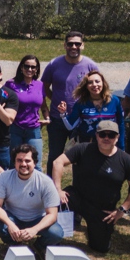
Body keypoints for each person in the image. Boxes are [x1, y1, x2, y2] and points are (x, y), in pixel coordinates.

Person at [51, 120, 130, 254]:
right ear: (96, 135)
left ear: (117, 137)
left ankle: (95, 231)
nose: (106, 138)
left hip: (102, 209)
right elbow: (57, 162)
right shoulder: (83, 148)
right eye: (102, 134)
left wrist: (121, 210)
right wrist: (58, 190)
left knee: (100, 247)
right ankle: (53, 236)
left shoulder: (125, 159)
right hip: (77, 197)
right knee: (56, 202)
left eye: (111, 135)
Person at [42, 31, 99, 175]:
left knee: (81, 156)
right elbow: (44, 86)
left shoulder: (90, 66)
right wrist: (54, 98)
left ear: (83, 45)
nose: (74, 46)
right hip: (57, 120)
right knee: (54, 156)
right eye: (70, 43)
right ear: (65, 45)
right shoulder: (54, 64)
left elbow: (98, 88)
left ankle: (80, 188)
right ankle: (51, 187)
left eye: (77, 43)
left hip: (81, 120)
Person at [0, 144, 64, 250]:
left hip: (37, 218)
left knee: (57, 233)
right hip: (13, 217)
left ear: (35, 162)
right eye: (19, 160)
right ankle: (13, 243)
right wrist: (10, 224)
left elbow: (52, 214)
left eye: (28, 161)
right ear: (14, 162)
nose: (23, 164)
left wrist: (35, 229)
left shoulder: (45, 182)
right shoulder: (4, 177)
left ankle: (39, 246)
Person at [58, 70, 126, 149]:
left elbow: (120, 124)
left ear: (103, 83)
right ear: (86, 86)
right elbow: (70, 126)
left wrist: (121, 147)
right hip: (87, 145)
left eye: (97, 81)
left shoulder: (114, 101)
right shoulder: (81, 103)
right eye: (90, 82)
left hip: (108, 145)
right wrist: (63, 113)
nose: (94, 85)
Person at [5, 55, 48, 170]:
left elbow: (43, 106)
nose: (29, 69)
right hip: (15, 129)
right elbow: (3, 103)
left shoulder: (40, 85)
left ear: (37, 69)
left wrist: (47, 118)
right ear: (21, 67)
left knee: (36, 164)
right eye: (27, 66)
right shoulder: (10, 84)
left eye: (33, 67)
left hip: (33, 130)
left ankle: (37, 188)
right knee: (14, 163)